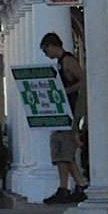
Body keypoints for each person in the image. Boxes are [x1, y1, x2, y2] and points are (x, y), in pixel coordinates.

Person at [41, 32, 88, 204]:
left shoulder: (68, 61)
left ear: (52, 46)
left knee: (64, 148)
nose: (46, 54)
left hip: (71, 111)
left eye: (46, 50)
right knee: (60, 150)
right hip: (62, 112)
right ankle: (74, 185)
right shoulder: (60, 64)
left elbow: (84, 81)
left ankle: (72, 186)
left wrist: (66, 91)